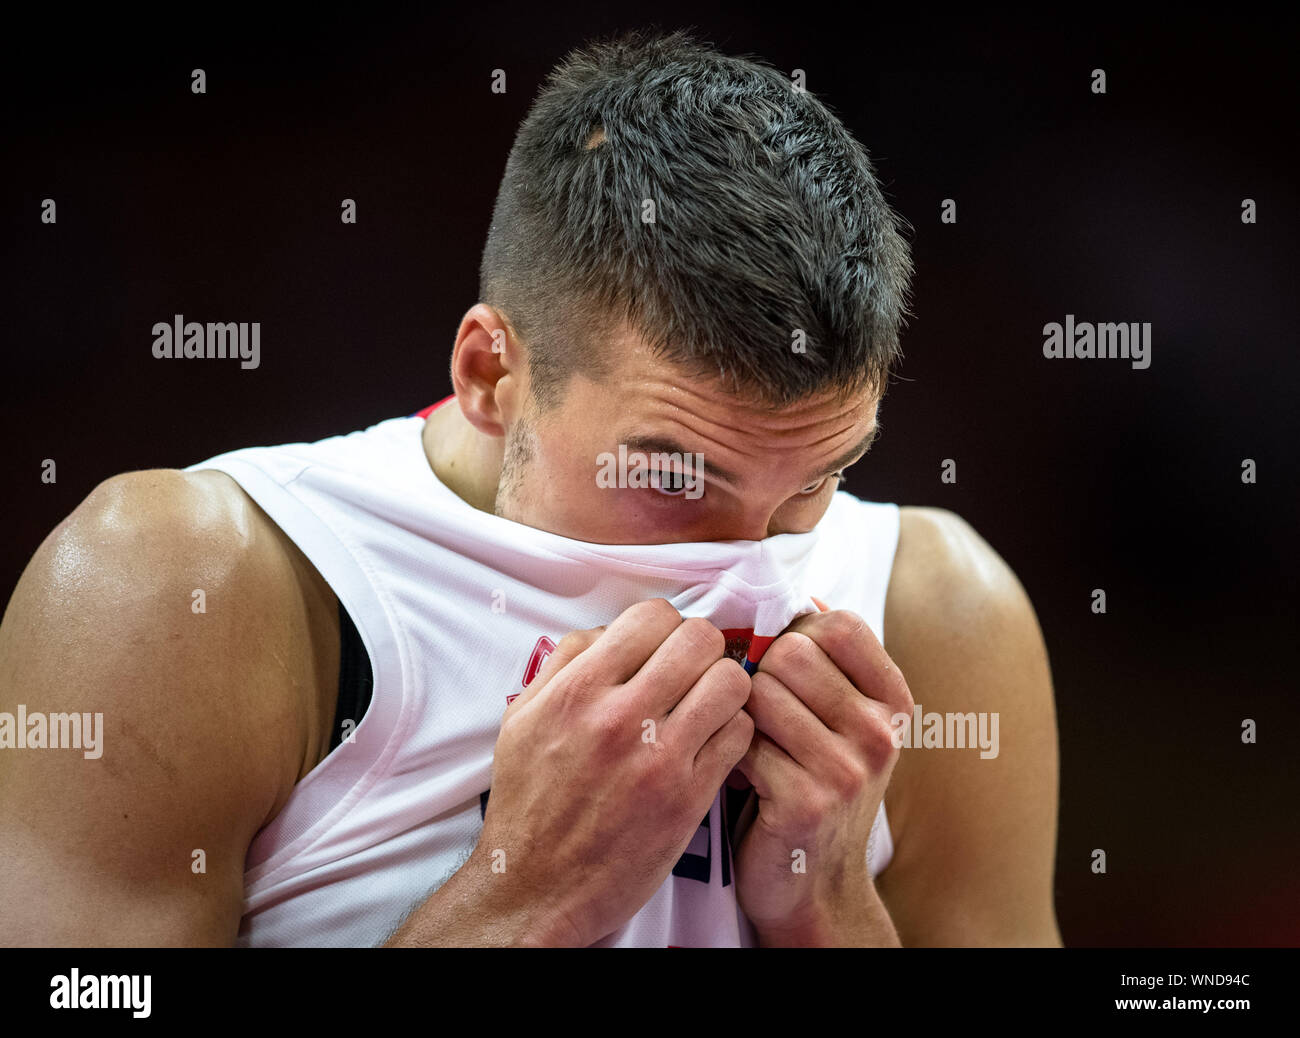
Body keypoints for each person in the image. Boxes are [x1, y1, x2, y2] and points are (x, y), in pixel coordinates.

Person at [0, 29, 1062, 947]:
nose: (745, 569)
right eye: (670, 477)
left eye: (813, 484)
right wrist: (520, 897)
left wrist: (830, 906)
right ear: (489, 374)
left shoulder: (940, 608)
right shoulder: (190, 583)